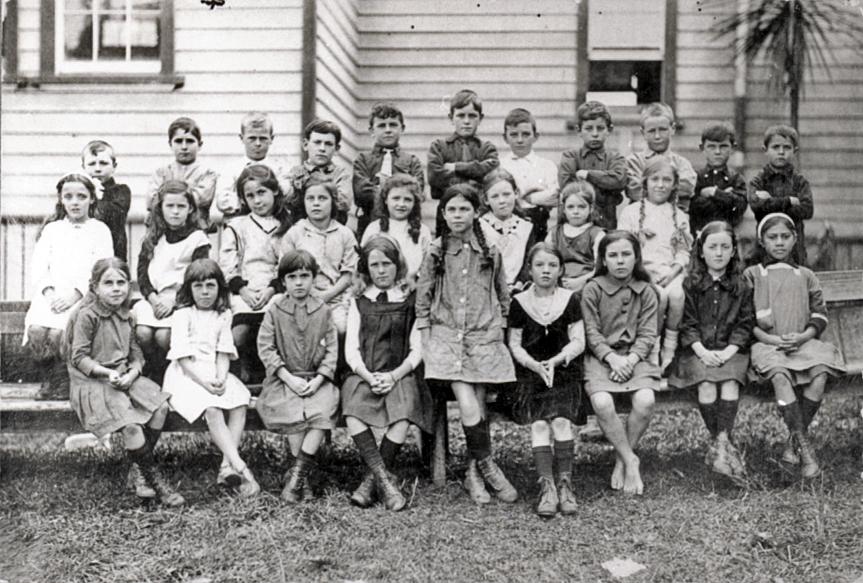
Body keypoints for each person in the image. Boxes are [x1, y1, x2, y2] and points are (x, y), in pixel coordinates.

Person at [415, 183, 518, 505]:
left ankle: (473, 472)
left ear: (476, 212)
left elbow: (503, 295)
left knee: (479, 399)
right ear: (443, 214)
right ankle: (487, 464)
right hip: (446, 339)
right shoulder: (436, 250)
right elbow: (424, 297)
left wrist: (498, 329)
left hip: (483, 336)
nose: (458, 215)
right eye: (452, 210)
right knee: (466, 397)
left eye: (464, 209)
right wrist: (427, 336)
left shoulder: (491, 250)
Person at [66, 258, 181, 506]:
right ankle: (155, 479)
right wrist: (106, 374)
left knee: (159, 406)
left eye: (121, 283)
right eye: (108, 283)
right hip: (93, 381)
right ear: (95, 287)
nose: (116, 288)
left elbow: (135, 353)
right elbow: (78, 358)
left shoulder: (127, 315)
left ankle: (139, 469)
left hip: (121, 374)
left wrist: (133, 372)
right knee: (131, 425)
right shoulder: (87, 316)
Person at [742, 213, 845, 478]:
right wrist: (771, 339)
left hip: (803, 342)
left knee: (820, 372)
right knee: (779, 375)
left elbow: (819, 313)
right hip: (768, 345)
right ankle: (805, 448)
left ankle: (793, 443)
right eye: (772, 237)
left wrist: (803, 336)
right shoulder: (753, 275)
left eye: (785, 237)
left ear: (794, 239)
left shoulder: (806, 275)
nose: (779, 243)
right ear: (762, 241)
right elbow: (746, 318)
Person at [342, 237, 432, 511]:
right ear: (366, 269)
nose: (381, 270)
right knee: (353, 411)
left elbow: (418, 349)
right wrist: (369, 376)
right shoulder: (360, 300)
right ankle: (384, 479)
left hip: (401, 372)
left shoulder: (409, 298)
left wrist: (394, 375)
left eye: (387, 264)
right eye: (375, 265)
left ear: (398, 265)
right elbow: (351, 350)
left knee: (403, 412)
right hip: (365, 372)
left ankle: (371, 481)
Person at [163, 259, 258, 496]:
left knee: (239, 401)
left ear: (220, 289)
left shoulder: (223, 315)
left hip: (213, 371)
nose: (205, 292)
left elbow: (223, 352)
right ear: (189, 289)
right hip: (185, 375)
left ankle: (226, 466)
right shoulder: (183, 314)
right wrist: (204, 383)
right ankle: (241, 467)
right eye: (198, 286)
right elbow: (182, 359)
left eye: (210, 286)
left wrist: (221, 378)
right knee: (213, 408)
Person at [668, 221, 753, 478]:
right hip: (697, 351)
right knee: (706, 385)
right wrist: (701, 351)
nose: (719, 253)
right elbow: (688, 323)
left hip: (731, 351)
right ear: (701, 251)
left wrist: (729, 351)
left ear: (733, 251)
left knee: (729, 383)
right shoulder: (691, 284)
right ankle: (722, 444)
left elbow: (745, 323)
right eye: (712, 247)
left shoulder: (742, 284)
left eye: (725, 247)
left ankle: (720, 444)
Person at [507, 243, 586, 517]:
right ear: (530, 269)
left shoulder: (569, 299)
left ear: (561, 269)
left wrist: (556, 360)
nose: (546, 270)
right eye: (540, 265)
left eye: (552, 265)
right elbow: (514, 344)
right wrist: (534, 364)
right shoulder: (519, 302)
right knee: (540, 424)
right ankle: (547, 487)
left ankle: (565, 483)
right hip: (531, 374)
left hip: (563, 371)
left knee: (562, 421)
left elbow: (579, 340)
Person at [256, 250, 340, 503]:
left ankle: (297, 477)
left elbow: (332, 350)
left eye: (305, 276)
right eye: (292, 277)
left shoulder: (323, 310)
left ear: (313, 278)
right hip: (284, 380)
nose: (299, 283)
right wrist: (288, 377)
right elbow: (266, 347)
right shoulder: (275, 310)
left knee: (322, 412)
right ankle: (301, 478)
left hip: (316, 380)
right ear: (283, 281)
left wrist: (319, 379)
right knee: (293, 412)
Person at [580, 231, 660, 495]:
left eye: (626, 254)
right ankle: (631, 459)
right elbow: (591, 332)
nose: (620, 261)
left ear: (636, 257)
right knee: (601, 402)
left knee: (645, 399)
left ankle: (622, 457)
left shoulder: (646, 290)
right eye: (613, 255)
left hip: (636, 357)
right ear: (603, 259)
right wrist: (612, 358)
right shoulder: (593, 289)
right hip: (602, 357)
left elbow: (648, 333)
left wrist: (631, 359)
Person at [25, 173, 113, 399]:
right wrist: (50, 292)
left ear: (92, 199)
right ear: (61, 200)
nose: (75, 202)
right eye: (69, 197)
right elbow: (39, 266)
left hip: (84, 295)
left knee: (57, 334)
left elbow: (102, 268)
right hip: (51, 294)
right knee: (36, 329)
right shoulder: (52, 229)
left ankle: (65, 380)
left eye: (81, 196)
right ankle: (48, 380)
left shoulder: (100, 230)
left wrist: (76, 295)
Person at [219, 164, 292, 381]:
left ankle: (275, 375)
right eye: (250, 196)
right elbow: (227, 264)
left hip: (275, 289)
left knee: (278, 329)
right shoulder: (236, 226)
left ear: (275, 191)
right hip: (244, 289)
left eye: (262, 193)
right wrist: (242, 290)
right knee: (238, 334)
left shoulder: (285, 225)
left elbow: (286, 264)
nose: (257, 201)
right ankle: (241, 374)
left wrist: (272, 289)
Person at [619, 158, 692, 370]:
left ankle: (669, 352)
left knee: (677, 295)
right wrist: (644, 273)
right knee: (657, 295)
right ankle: (653, 351)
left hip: (670, 272)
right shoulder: (631, 212)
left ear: (674, 185)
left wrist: (674, 271)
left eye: (666, 180)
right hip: (641, 273)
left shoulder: (679, 216)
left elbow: (684, 251)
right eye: (655, 179)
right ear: (645, 182)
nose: (660, 185)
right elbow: (624, 247)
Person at [134, 180, 211, 373]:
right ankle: (151, 369)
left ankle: (167, 373)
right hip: (154, 298)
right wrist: (153, 298)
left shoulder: (197, 239)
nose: (175, 211)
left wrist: (173, 302)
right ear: (160, 208)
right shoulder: (153, 237)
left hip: (182, 300)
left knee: (163, 336)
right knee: (142, 333)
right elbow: (142, 274)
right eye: (170, 206)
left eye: (181, 206)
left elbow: (197, 276)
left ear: (190, 209)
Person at [280, 181, 358, 334]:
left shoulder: (345, 234)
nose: (316, 203)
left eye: (322, 198)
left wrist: (328, 294)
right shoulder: (295, 233)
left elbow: (349, 273)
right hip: (301, 295)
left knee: (341, 329)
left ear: (333, 202)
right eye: (310, 198)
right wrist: (311, 293)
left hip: (337, 297)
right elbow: (285, 270)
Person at [427, 89, 499, 235]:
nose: (466, 121)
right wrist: (474, 174)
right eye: (460, 116)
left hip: (480, 212)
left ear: (481, 118)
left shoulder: (486, 148)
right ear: (451, 118)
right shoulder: (439, 147)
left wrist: (455, 168)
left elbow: (490, 171)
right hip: (448, 213)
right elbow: (435, 177)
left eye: (472, 116)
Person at [352, 102, 425, 239]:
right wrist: (397, 189)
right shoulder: (363, 160)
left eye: (393, 125)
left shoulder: (412, 161)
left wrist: (383, 187)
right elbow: (361, 193)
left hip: (406, 224)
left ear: (402, 128)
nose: (388, 130)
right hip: (370, 222)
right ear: (371, 130)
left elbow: (418, 192)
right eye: (381, 125)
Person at [748, 125, 814, 265]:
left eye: (787, 148)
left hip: (794, 247)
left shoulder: (799, 181)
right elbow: (756, 205)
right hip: (765, 245)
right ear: (765, 150)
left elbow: (807, 210)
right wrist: (789, 201)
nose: (781, 152)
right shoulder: (759, 180)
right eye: (776, 147)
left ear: (794, 151)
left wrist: (771, 202)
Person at [558, 101, 627, 229]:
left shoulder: (615, 158)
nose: (595, 134)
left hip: (606, 223)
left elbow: (619, 180)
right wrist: (605, 186)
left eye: (600, 128)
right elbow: (568, 187)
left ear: (609, 130)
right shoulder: (570, 156)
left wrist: (588, 175)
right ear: (579, 130)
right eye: (589, 128)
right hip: (574, 226)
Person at [145, 117, 218, 231]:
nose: (184, 147)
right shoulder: (161, 172)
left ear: (200, 144)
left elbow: (198, 200)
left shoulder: (207, 174)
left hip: (195, 231)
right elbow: (151, 202)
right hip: (162, 232)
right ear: (170, 144)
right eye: (178, 141)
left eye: (190, 141)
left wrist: (166, 194)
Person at [215, 112, 291, 219]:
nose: (258, 143)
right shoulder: (231, 169)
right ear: (242, 138)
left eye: (263, 138)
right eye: (252, 138)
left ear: (271, 139)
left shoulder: (280, 169)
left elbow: (285, 194)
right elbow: (222, 201)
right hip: (240, 222)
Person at [361, 174, 432, 287]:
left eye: (407, 200)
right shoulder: (374, 228)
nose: (401, 204)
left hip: (411, 287)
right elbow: (364, 262)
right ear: (385, 200)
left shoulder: (423, 231)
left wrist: (415, 278)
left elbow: (427, 264)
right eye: (396, 198)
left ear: (415, 203)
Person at [499, 108, 558, 241]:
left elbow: (553, 197)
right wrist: (533, 196)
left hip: (538, 225)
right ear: (505, 138)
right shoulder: (499, 166)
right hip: (507, 227)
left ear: (536, 136)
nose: (520, 140)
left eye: (526, 134)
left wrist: (524, 198)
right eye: (514, 135)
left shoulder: (546, 166)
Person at [625, 102, 697, 212]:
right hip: (642, 222)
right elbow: (635, 191)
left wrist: (650, 188)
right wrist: (672, 188)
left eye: (662, 130)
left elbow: (687, 188)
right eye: (652, 131)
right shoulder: (634, 162)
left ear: (672, 129)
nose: (657, 136)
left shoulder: (682, 163)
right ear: (643, 132)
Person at [478, 168, 536, 292]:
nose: (502, 201)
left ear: (516, 193)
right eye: (495, 196)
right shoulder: (480, 226)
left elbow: (528, 262)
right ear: (486, 200)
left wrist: (519, 285)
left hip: (518, 289)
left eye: (506, 194)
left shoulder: (525, 227)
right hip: (487, 289)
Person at [285, 119, 352, 225]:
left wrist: (305, 191)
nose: (322, 148)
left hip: (332, 231)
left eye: (328, 144)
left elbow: (344, 203)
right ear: (306, 145)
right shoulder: (295, 173)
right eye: (317, 142)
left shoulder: (341, 174)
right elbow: (287, 201)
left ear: (336, 149)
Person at [545, 180, 605, 294]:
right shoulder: (554, 234)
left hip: (588, 285)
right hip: (558, 285)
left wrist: (580, 281)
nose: (576, 212)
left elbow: (601, 269)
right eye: (571, 207)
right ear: (564, 209)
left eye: (581, 207)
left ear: (591, 208)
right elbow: (546, 261)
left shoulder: (597, 235)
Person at [689, 122, 748, 237]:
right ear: (702, 148)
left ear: (732, 148)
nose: (717, 152)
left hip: (728, 237)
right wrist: (725, 197)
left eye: (723, 146)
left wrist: (714, 193)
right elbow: (694, 208)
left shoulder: (736, 179)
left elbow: (739, 208)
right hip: (700, 237)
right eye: (711, 146)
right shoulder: (695, 177)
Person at [81, 139, 132, 260]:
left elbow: (112, 215)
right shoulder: (78, 192)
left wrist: (98, 195)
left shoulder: (121, 191)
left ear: (114, 166)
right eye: (92, 164)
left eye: (103, 163)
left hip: (113, 255)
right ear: (83, 167)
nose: (97, 169)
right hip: (84, 252)